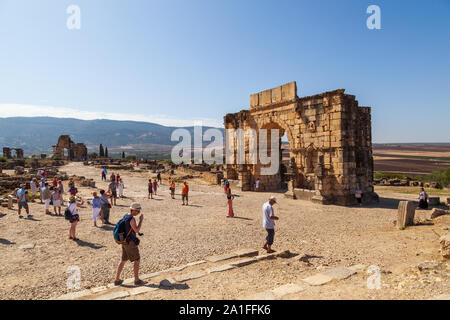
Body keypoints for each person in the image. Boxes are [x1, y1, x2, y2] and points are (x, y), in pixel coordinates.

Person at [114, 202, 145, 286]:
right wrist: (141, 221)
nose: (139, 213)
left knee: (123, 260)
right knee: (137, 260)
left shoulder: (126, 215)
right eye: (138, 211)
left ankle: (117, 279)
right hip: (130, 243)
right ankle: (137, 280)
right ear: (134, 210)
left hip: (124, 241)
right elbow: (137, 230)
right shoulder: (131, 219)